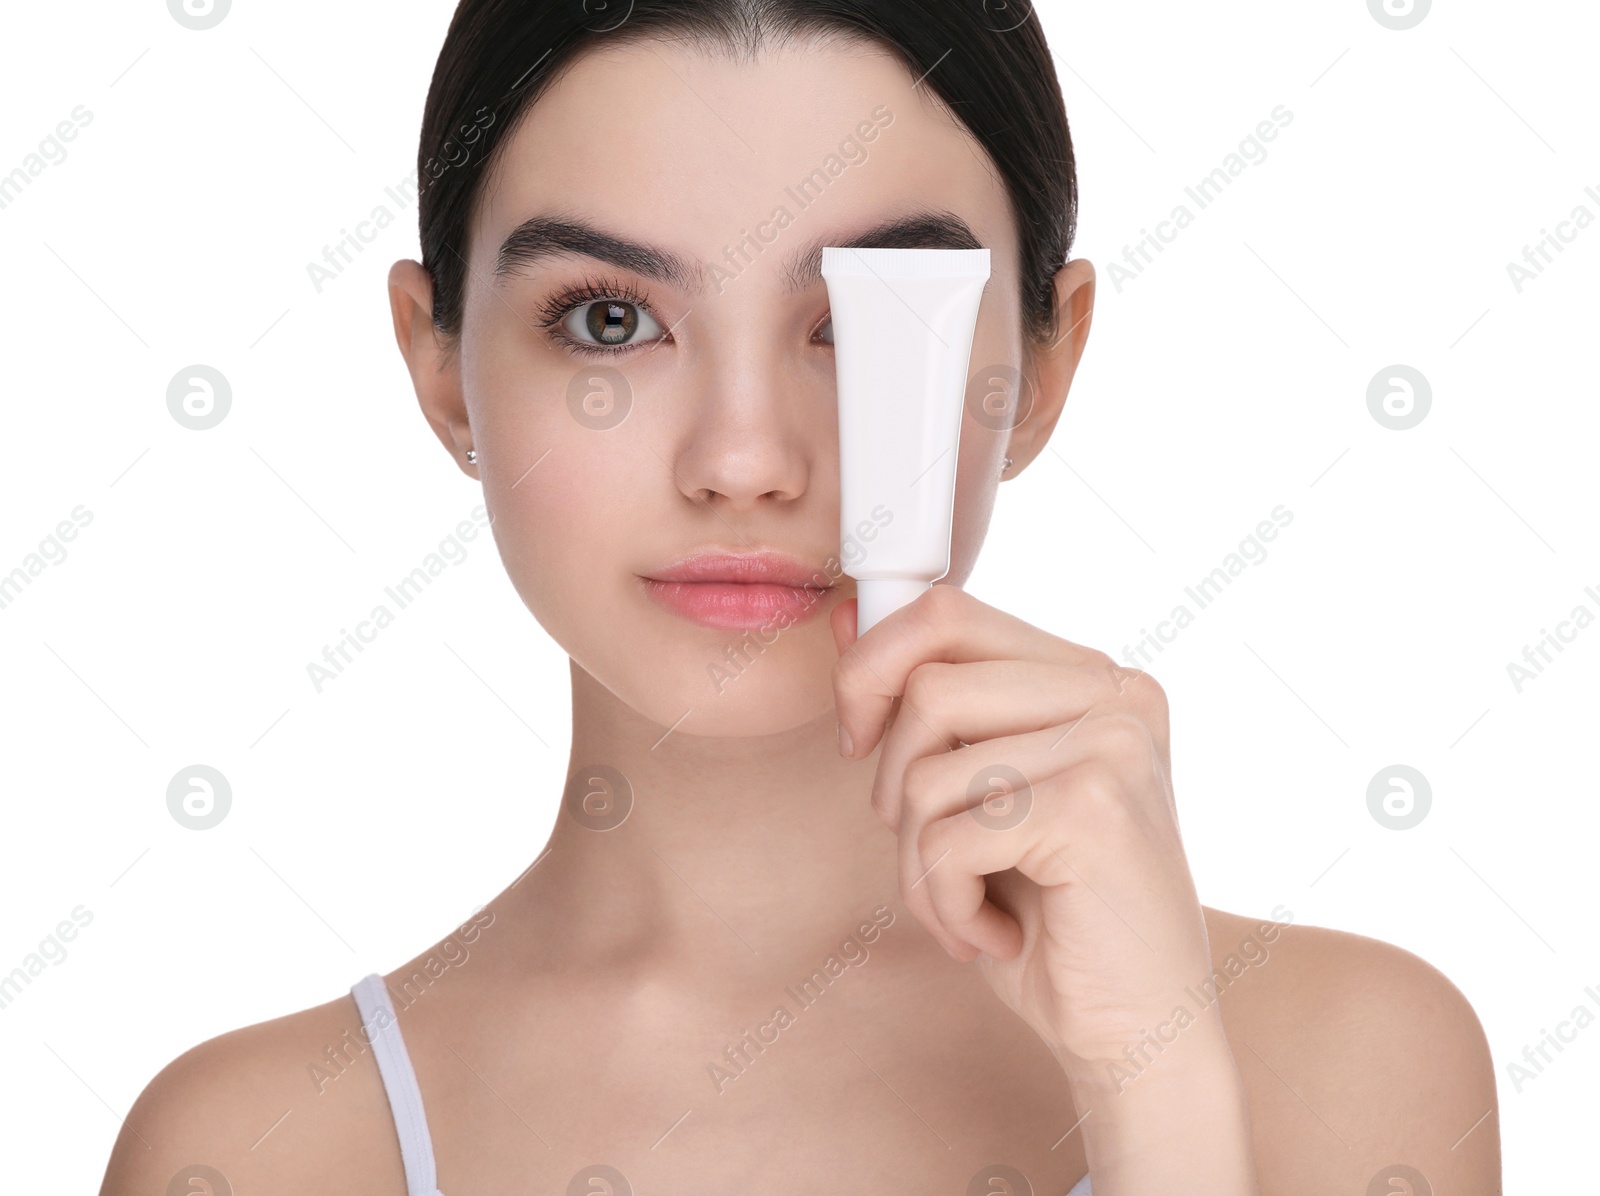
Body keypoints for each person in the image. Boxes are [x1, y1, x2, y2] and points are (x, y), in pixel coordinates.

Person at [99, 3, 1500, 1193]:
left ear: (1042, 368)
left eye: (859, 320)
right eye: (609, 320)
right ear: (440, 364)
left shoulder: (1343, 1068)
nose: (746, 461)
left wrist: (1162, 1097)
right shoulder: (260, 1149)